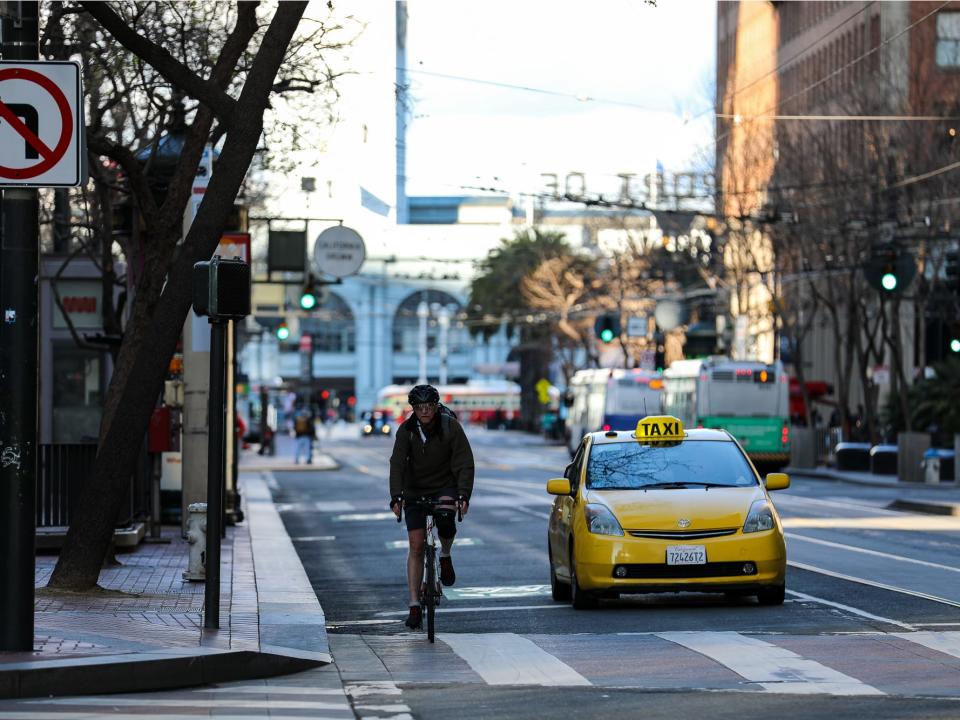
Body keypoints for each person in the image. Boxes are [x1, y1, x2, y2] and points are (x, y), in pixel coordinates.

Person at [389, 384, 474, 630]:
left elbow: (464, 462)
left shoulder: (451, 427)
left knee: (446, 522)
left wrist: (463, 495)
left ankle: (445, 556)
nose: (424, 411)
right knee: (416, 544)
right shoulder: (406, 431)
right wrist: (396, 497)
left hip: (444, 486)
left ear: (436, 406)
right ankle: (414, 605)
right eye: (419, 407)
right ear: (413, 409)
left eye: (429, 406)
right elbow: (397, 464)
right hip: (415, 489)